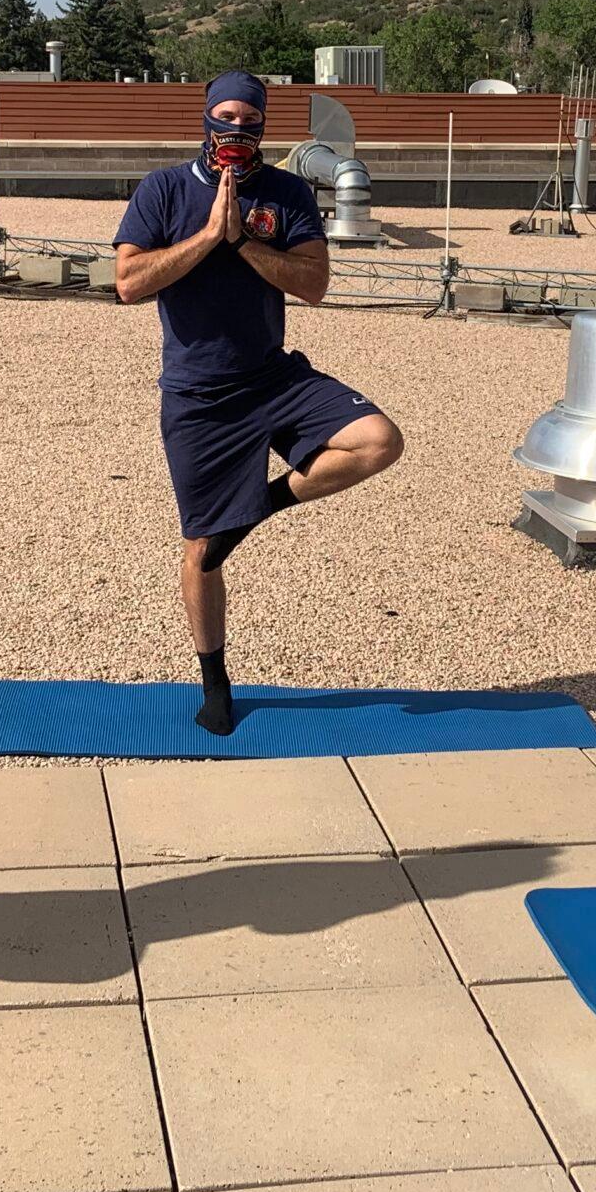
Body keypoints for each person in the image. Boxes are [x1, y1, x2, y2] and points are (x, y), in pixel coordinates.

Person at [113, 72, 406, 733]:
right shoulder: (162, 189)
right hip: (197, 396)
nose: (236, 132)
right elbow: (129, 283)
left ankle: (255, 511)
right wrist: (209, 237)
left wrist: (245, 241)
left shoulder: (286, 191)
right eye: (225, 118)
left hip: (272, 378)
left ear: (264, 126)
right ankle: (214, 680)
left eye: (249, 121)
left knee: (379, 440)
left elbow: (314, 285)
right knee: (199, 552)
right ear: (206, 119)